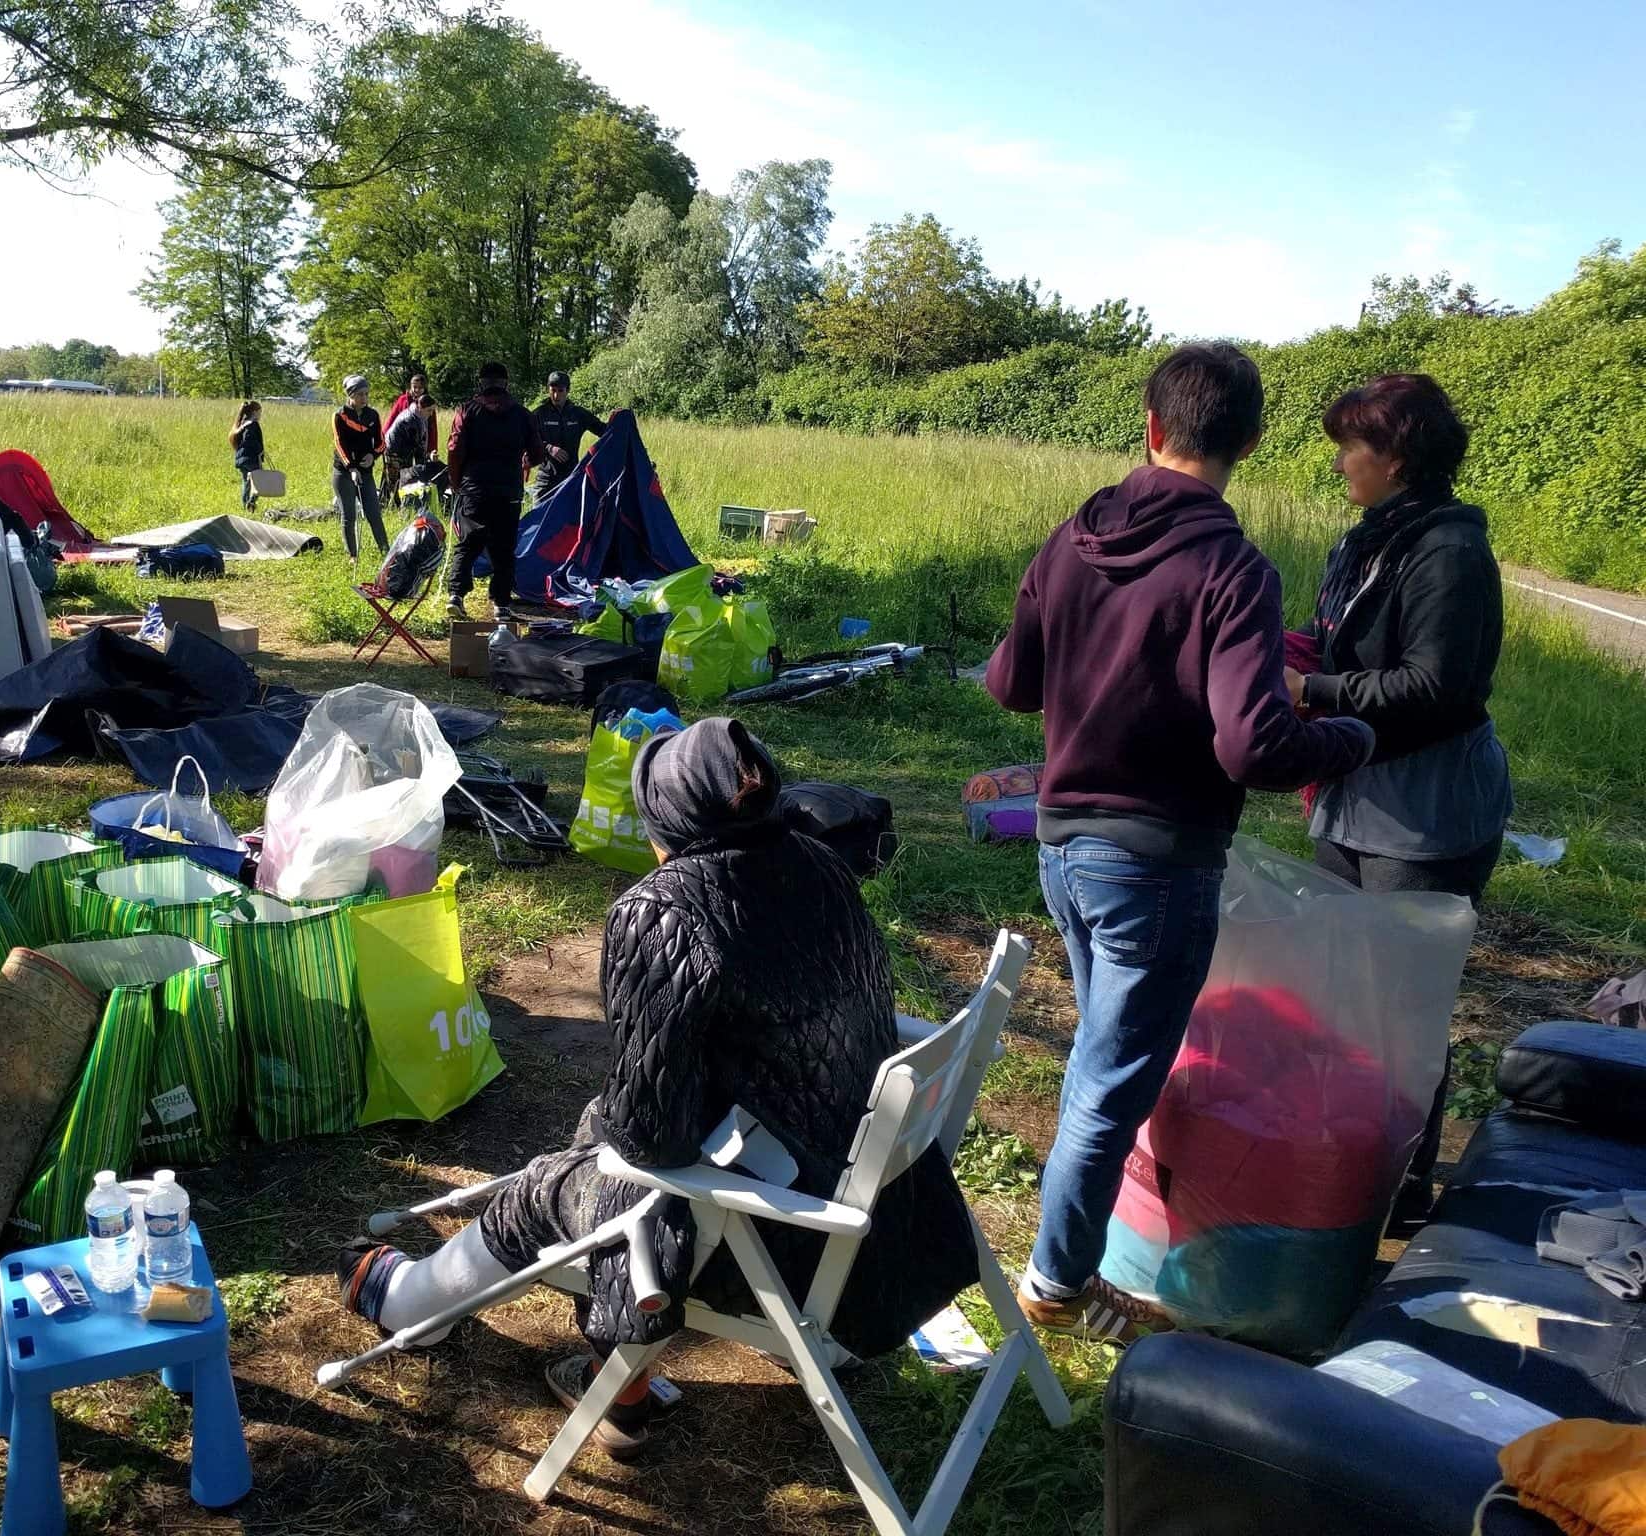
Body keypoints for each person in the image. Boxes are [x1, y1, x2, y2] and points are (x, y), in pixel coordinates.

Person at [335, 718, 978, 1458]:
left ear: (665, 820)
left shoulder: (661, 909)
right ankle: (613, 1378)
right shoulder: (818, 862)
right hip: (867, 1192)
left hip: (783, 1230)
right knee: (597, 1142)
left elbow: (650, 1138)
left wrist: (600, 1137)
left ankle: (430, 1312)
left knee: (556, 1189)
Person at [985, 342, 1377, 1345]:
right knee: (1108, 1085)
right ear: (1245, 440)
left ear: (1151, 428)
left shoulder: (1070, 538)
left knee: (1101, 1064)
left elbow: (1008, 683)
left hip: (1063, 844)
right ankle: (1054, 1282)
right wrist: (1348, 733)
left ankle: (1074, 1253)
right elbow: (1251, 745)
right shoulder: (1229, 569)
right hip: (1153, 864)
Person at [1285, 372, 1510, 1229]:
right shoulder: (1370, 539)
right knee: (1342, 992)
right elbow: (1344, 640)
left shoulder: (1448, 552)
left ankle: (1398, 1199)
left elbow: (1437, 687)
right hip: (1354, 795)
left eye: (1355, 446)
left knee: (1401, 1012)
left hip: (1422, 816)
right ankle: (1343, 1170)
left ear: (1400, 456)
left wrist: (1315, 692)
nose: (1342, 461)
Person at [444, 361, 543, 621]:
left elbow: (454, 449)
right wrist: (524, 459)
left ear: (481, 383)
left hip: (474, 488)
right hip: (508, 491)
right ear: (505, 383)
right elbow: (537, 453)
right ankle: (501, 603)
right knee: (504, 548)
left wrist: (455, 482)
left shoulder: (467, 411)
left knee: (467, 543)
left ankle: (456, 595)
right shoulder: (523, 415)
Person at [331, 374, 387, 560]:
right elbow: (339, 445)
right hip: (344, 473)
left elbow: (381, 443)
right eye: (360, 394)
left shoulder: (373, 415)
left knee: (374, 514)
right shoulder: (340, 416)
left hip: (366, 472)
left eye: (366, 394)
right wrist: (351, 467)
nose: (364, 398)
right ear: (350, 395)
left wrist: (373, 455)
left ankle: (386, 552)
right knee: (349, 516)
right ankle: (352, 556)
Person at [529, 370, 607, 501]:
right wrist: (549, 448)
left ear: (568, 390)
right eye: (552, 390)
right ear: (547, 389)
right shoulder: (539, 414)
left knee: (571, 521)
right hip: (545, 481)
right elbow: (527, 440)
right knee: (540, 521)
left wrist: (621, 421)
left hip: (571, 479)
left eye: (560, 391)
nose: (556, 395)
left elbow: (604, 431)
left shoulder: (578, 414)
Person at [384, 393, 437, 480]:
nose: (431, 414)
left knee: (406, 478)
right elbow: (416, 445)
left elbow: (421, 442)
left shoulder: (422, 416)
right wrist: (428, 457)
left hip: (405, 450)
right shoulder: (409, 419)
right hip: (394, 451)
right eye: (429, 410)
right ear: (420, 407)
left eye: (432, 410)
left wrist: (427, 456)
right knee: (395, 481)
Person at [230, 400, 264, 511]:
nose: (260, 415)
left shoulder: (242, 423)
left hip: (241, 459)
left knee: (246, 483)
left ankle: (245, 507)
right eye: (260, 412)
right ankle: (251, 503)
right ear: (254, 412)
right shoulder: (253, 424)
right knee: (260, 482)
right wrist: (260, 450)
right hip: (251, 458)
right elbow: (250, 440)